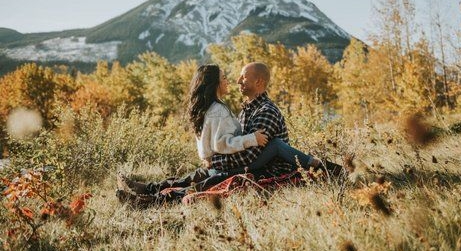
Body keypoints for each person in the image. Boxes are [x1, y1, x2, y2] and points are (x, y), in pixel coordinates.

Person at [117, 63, 342, 203]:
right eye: (230, 77)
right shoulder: (244, 110)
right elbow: (233, 144)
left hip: (266, 167)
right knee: (200, 175)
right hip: (247, 161)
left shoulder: (266, 112)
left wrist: (218, 161)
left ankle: (150, 199)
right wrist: (215, 159)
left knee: (211, 178)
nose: (236, 81)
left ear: (259, 81)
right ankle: (149, 191)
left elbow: (250, 156)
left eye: (243, 77)